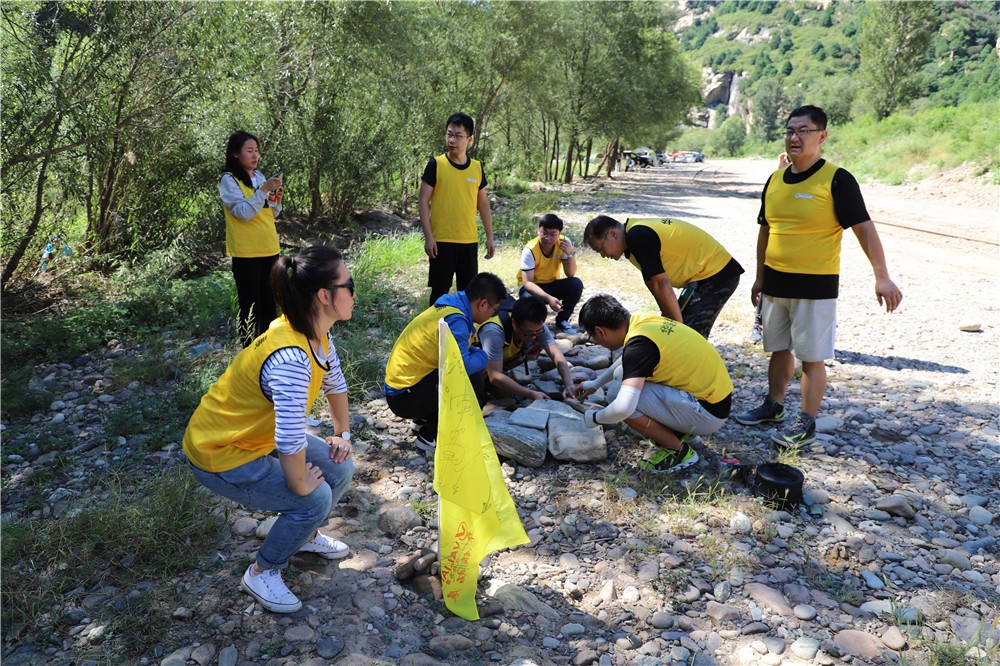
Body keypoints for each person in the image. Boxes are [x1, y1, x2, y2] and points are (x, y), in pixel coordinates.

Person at [182, 245, 357, 614]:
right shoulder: (291, 358)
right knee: (314, 497)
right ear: (325, 296)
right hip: (221, 452)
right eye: (349, 283)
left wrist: (342, 434)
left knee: (338, 467)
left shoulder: (315, 332)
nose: (354, 292)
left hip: (252, 438)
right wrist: (300, 486)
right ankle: (262, 571)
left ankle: (305, 534)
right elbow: (290, 437)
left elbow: (335, 383)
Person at [735, 105, 903, 449]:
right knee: (779, 349)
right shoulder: (775, 179)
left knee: (812, 356)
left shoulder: (837, 179)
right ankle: (774, 406)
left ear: (821, 136)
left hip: (815, 286)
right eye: (790, 131)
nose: (794, 137)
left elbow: (864, 229)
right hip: (776, 282)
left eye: (803, 131)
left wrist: (882, 276)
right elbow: (766, 231)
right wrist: (760, 277)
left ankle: (807, 422)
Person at [573, 294, 733, 474]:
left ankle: (678, 451)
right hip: (714, 399)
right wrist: (596, 383)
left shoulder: (639, 346)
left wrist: (594, 418)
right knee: (621, 382)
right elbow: (628, 362)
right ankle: (680, 430)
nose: (597, 342)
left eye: (594, 337)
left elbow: (623, 408)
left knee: (619, 397)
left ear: (600, 331)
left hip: (709, 413)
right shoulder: (641, 322)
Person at [384, 272, 508, 451]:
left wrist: (475, 353)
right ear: (483, 304)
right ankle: (429, 435)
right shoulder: (456, 320)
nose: (493, 315)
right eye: (494, 310)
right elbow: (461, 366)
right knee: (474, 380)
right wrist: (483, 357)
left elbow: (457, 350)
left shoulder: (452, 305)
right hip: (405, 398)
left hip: (403, 390)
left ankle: (424, 418)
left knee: (463, 369)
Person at [583, 215, 743, 339]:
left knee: (690, 335)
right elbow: (654, 285)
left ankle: (697, 376)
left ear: (612, 234)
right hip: (702, 276)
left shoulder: (637, 236)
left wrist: (675, 326)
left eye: (600, 249)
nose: (603, 255)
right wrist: (667, 321)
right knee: (679, 329)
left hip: (717, 273)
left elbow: (662, 283)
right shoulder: (631, 242)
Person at [419, 113, 495, 306]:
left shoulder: (476, 168)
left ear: (469, 139)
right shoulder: (436, 165)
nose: (452, 140)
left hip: (468, 240)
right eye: (449, 134)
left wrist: (490, 237)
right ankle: (435, 331)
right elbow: (422, 200)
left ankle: (464, 333)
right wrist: (429, 237)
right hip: (441, 241)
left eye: (458, 136)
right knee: (439, 293)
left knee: (469, 295)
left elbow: (483, 204)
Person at [220, 131, 285, 347]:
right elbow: (243, 213)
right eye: (249, 151)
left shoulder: (260, 177)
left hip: (269, 247)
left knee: (270, 304)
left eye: (256, 151)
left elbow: (271, 214)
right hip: (246, 252)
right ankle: (248, 352)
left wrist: (276, 199)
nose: (255, 155)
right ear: (235, 153)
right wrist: (263, 190)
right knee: (250, 306)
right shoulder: (229, 180)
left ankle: (269, 350)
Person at [476, 296, 578, 401]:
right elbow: (495, 376)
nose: (533, 337)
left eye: (537, 332)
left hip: (499, 355)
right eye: (528, 333)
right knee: (495, 390)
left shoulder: (537, 325)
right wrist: (531, 394)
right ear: (514, 323)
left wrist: (569, 384)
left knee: (536, 345)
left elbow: (556, 354)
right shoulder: (494, 331)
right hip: (470, 364)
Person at [748, 152, 792, 344]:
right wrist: (781, 168)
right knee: (767, 286)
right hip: (777, 245)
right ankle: (759, 324)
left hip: (805, 251)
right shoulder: (778, 179)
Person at [517, 213, 584, 333]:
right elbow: (528, 283)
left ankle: (562, 320)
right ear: (538, 230)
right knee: (528, 298)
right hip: (531, 287)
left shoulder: (564, 243)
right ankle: (538, 324)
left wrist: (570, 254)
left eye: (553, 234)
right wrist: (548, 298)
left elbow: (570, 274)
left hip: (551, 283)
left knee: (576, 284)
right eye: (544, 233)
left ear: (559, 233)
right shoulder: (530, 250)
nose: (548, 238)